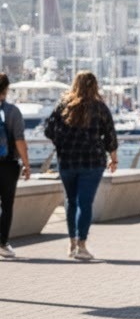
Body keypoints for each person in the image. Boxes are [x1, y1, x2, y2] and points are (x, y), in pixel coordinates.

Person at [43, 71, 117, 260]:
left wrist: (61, 143)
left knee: (71, 201)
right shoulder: (100, 108)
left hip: (67, 161)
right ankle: (82, 246)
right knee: (85, 203)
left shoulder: (63, 105)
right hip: (92, 162)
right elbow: (110, 134)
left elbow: (48, 129)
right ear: (95, 86)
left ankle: (72, 244)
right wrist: (113, 158)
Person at [0, 73, 32, 258]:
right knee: (7, 204)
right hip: (8, 165)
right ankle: (3, 244)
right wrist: (27, 165)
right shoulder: (12, 111)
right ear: (6, 89)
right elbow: (19, 140)